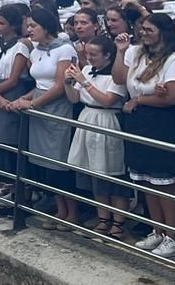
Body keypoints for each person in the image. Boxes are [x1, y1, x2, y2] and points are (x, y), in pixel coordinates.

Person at [113, 12, 175, 258]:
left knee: (164, 181)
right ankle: (157, 230)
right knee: (144, 179)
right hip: (138, 121)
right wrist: (120, 50)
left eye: (149, 30)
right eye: (142, 29)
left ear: (163, 33)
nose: (144, 33)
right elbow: (118, 78)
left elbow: (172, 96)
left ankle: (173, 236)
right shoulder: (136, 53)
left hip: (162, 123)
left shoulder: (173, 59)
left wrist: (140, 100)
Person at [9, 5, 79, 227]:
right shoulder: (37, 50)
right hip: (39, 104)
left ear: (46, 26)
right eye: (27, 26)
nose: (29, 30)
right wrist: (24, 99)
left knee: (59, 161)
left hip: (57, 107)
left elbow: (59, 85)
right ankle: (60, 209)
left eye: (33, 26)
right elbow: (40, 83)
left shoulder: (64, 50)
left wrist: (32, 104)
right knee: (46, 163)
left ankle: (73, 213)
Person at [65, 35, 129, 238]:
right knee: (94, 171)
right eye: (87, 53)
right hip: (87, 117)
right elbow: (74, 98)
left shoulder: (115, 76)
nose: (89, 58)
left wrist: (84, 83)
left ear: (107, 55)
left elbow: (108, 100)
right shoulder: (85, 70)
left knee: (112, 172)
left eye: (94, 54)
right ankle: (103, 218)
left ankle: (118, 221)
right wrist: (68, 83)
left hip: (107, 120)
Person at [0, 4, 32, 212]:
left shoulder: (20, 47)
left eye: (2, 23)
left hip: (11, 92)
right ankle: (4, 185)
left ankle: (18, 194)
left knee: (10, 144)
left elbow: (13, 79)